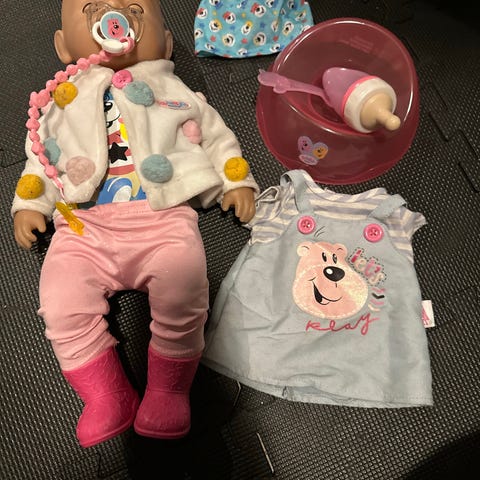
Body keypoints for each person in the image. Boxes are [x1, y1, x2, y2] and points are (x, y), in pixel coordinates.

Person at [12, 0, 258, 448]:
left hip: (163, 220)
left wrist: (234, 181)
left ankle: (168, 391)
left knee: (184, 292)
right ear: (64, 47)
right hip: (82, 227)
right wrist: (31, 203)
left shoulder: (174, 88)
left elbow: (217, 136)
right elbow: (40, 155)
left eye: (134, 10)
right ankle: (106, 396)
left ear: (165, 43)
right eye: (92, 8)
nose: (113, 15)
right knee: (60, 300)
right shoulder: (59, 100)